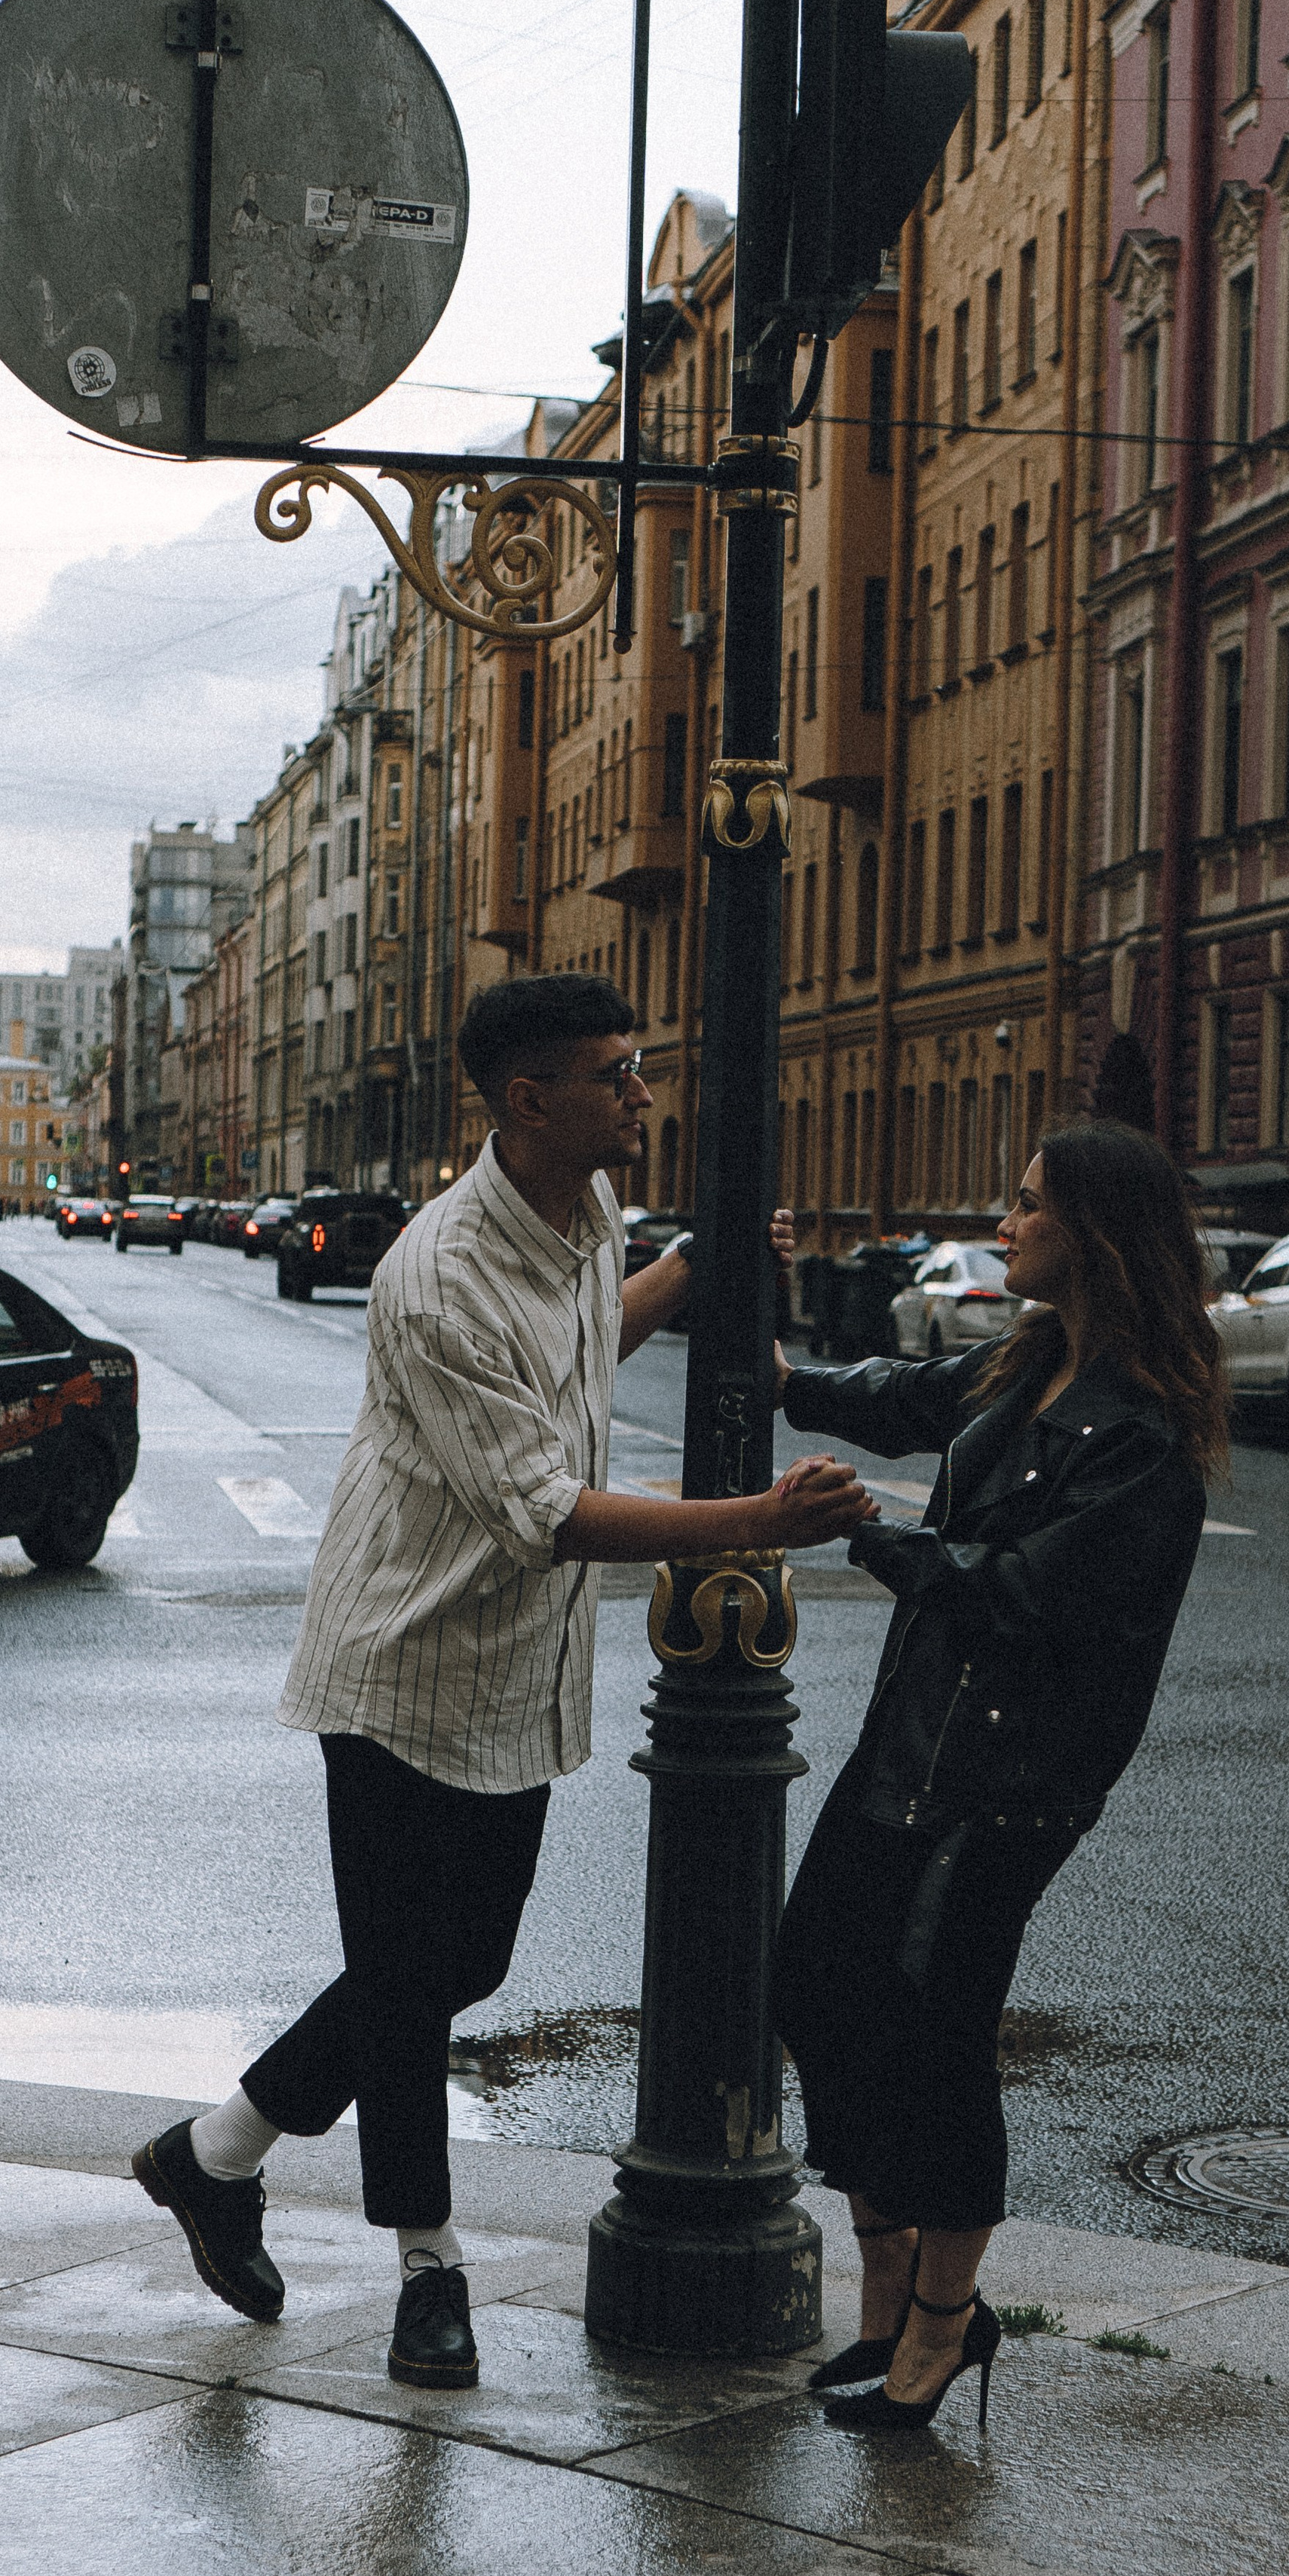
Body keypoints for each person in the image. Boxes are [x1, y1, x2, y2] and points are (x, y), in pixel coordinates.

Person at [133, 974, 872, 2386]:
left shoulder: (583, 1215)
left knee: (464, 1961)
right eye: (619, 1072)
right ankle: (430, 2274)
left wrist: (696, 1268)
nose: (644, 1092)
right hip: (402, 1661)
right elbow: (555, 1512)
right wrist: (756, 1525)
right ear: (531, 1101)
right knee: (410, 1986)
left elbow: (586, 1345)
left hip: (515, 1666)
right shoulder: (438, 1273)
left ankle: (213, 2153)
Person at [771, 1119, 1225, 2436]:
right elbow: (897, 1398)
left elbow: (1031, 1600)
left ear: (1094, 1234)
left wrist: (871, 1536)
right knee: (813, 1979)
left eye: (1028, 1205)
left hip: (1011, 1781)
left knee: (937, 2032)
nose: (1006, 1219)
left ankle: (941, 2325)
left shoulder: (1138, 1432)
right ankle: (893, 2271)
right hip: (911, 1744)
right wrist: (783, 1376)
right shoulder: (1026, 1366)